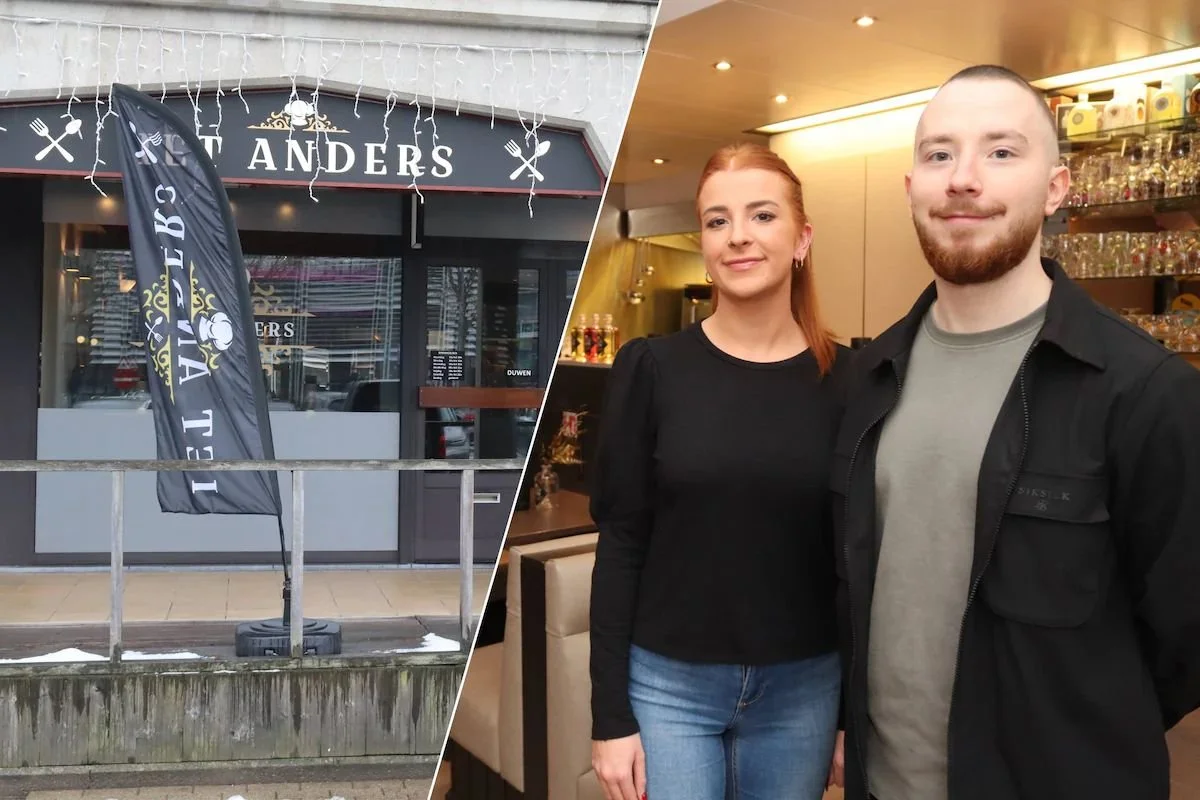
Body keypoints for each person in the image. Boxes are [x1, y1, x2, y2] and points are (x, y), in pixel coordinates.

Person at [832, 64, 1200, 800]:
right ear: (912, 188)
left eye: (1001, 152)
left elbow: (1183, 640)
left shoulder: (1144, 391)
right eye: (939, 154)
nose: (963, 179)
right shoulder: (865, 376)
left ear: (1057, 187)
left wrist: (1075, 736)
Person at [588, 142, 849, 800]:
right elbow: (620, 546)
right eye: (716, 220)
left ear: (801, 238)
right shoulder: (651, 369)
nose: (738, 238)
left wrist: (852, 715)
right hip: (668, 686)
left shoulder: (851, 382)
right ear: (703, 239)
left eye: (762, 217)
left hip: (805, 687)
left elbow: (857, 561)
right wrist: (609, 719)